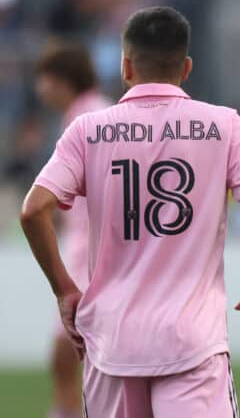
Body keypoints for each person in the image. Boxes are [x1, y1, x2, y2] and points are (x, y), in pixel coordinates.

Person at [20, 6, 240, 417]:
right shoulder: (224, 125)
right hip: (191, 341)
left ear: (126, 66)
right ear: (187, 67)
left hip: (110, 341)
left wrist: (64, 290)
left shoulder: (87, 129)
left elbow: (33, 210)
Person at [34, 43, 113, 418]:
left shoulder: (90, 118)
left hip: (92, 249)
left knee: (67, 353)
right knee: (70, 357)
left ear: (63, 80)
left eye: (45, 78)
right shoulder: (91, 112)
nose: (40, 87)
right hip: (87, 244)